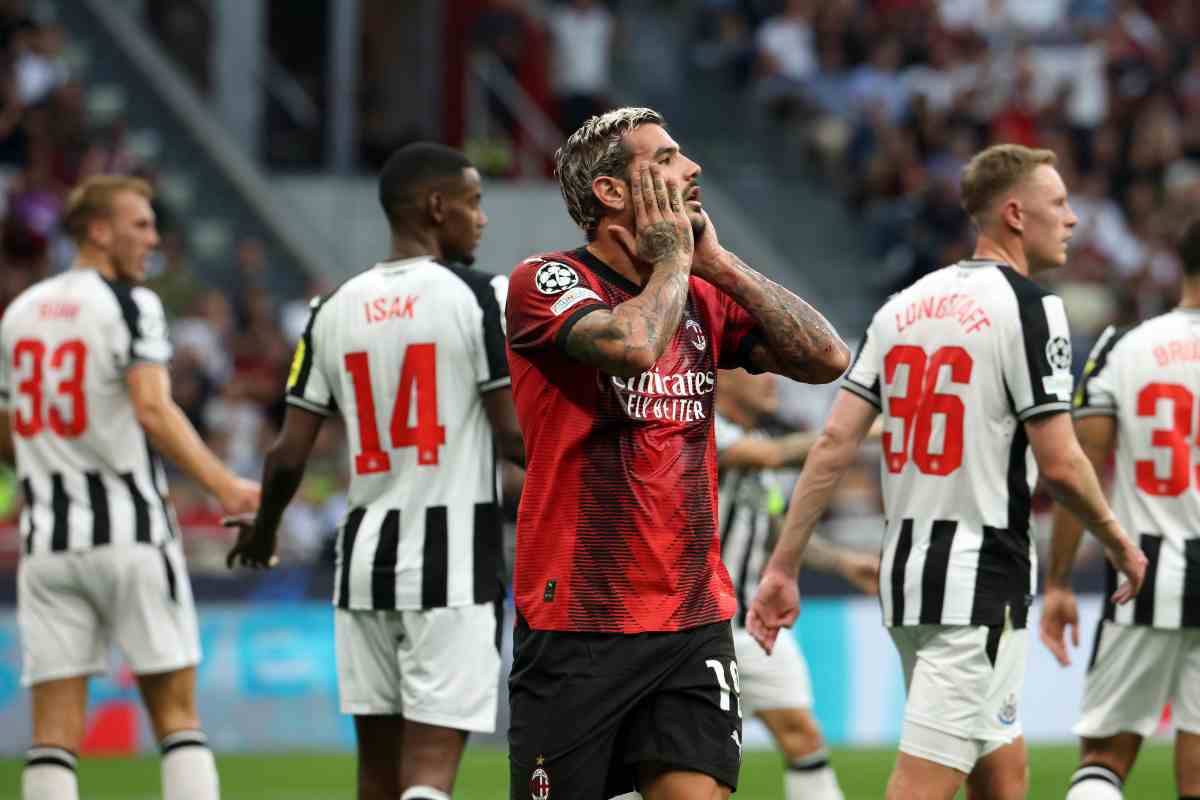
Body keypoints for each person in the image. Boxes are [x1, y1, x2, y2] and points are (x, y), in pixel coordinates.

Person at [747, 143, 1148, 800]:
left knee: (1003, 774)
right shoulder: (1031, 307)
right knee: (922, 784)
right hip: (977, 580)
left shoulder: (900, 307)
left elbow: (834, 443)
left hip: (908, 578)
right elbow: (1062, 462)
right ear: (1015, 215)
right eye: (1059, 204)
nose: (1073, 219)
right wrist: (1119, 541)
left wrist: (784, 566)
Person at [505, 106, 851, 800]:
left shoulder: (701, 289)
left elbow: (827, 357)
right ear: (610, 193)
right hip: (580, 621)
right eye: (664, 159)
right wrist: (673, 260)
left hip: (693, 619)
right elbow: (630, 348)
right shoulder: (545, 281)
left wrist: (718, 263)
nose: (690, 170)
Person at [223, 142, 523, 800]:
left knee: (376, 777)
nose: (481, 219)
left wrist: (266, 529)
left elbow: (288, 452)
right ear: (436, 207)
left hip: (362, 564)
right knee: (432, 773)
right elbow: (512, 435)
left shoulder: (332, 308)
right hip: (453, 561)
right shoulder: (479, 296)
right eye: (473, 203)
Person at [0, 175, 261, 800]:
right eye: (139, 224)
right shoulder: (129, 303)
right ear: (97, 230)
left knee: (53, 737)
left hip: (47, 544)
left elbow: (8, 432)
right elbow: (152, 408)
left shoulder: (20, 312)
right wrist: (224, 485)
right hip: (130, 535)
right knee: (177, 720)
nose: (152, 238)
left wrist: (54, 461)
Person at [1040, 217, 1200, 800]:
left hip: (1147, 569)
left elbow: (1079, 471)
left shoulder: (1123, 349)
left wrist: (1057, 579)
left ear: (1178, 265)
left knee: (1105, 755)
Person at [714, 367, 879, 800]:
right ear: (720, 377)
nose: (772, 380)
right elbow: (769, 457)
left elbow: (774, 528)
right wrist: (856, 431)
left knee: (804, 737)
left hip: (750, 627)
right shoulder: (699, 428)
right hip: (697, 632)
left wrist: (842, 562)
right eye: (755, 370)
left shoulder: (758, 443)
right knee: (685, 762)